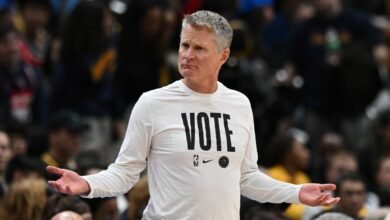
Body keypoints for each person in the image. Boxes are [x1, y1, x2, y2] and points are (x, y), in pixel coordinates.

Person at [47, 10, 340, 219]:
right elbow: (125, 174)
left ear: (223, 56)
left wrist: (297, 192)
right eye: (184, 45)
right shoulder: (152, 103)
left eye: (199, 48)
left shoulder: (239, 104)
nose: (187, 54)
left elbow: (247, 178)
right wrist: (87, 184)